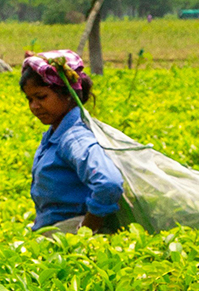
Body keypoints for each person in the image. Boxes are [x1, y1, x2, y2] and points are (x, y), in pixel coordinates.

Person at [21, 49, 124, 238]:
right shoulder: (55, 133)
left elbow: (109, 183)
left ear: (67, 94)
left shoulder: (74, 138)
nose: (34, 106)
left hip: (67, 237)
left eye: (41, 97)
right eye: (30, 99)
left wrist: (86, 230)